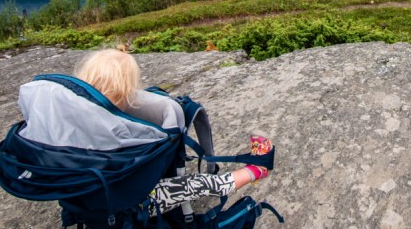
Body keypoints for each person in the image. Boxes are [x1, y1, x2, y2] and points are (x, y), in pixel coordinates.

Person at [71, 48, 271, 212]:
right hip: (130, 203)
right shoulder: (117, 130)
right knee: (199, 184)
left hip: (81, 199)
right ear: (124, 90)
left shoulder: (72, 122)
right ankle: (257, 169)